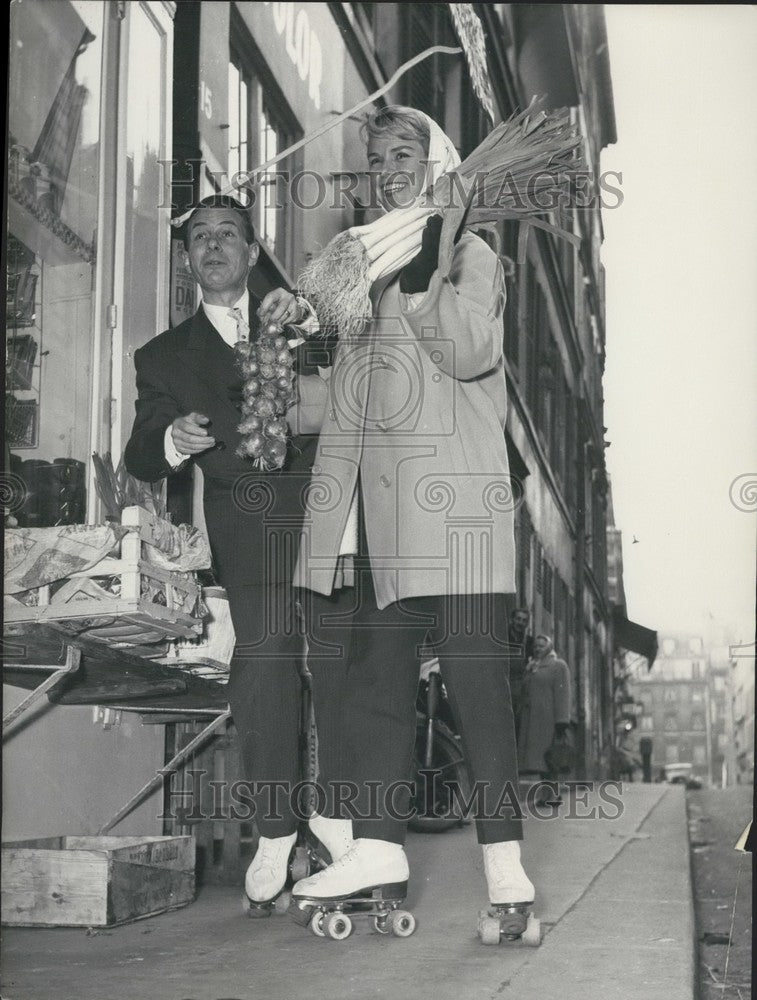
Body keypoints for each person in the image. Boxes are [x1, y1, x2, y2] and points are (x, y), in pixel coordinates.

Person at [290, 106, 535, 922]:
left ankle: (504, 869)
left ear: (435, 162)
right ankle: (379, 845)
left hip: (459, 512)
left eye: (405, 153)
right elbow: (353, 411)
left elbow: (467, 352)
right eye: (377, 160)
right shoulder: (357, 275)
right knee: (376, 687)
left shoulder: (468, 253)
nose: (388, 170)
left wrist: (428, 268)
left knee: (476, 688)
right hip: (388, 524)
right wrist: (270, 378)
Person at [123, 195, 351, 912]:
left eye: (228, 235)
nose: (213, 246)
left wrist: (310, 316)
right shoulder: (162, 357)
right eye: (199, 239)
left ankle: (346, 820)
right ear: (188, 261)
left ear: (253, 253)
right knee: (267, 659)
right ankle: (276, 828)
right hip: (245, 520)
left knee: (345, 654)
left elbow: (357, 354)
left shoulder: (295, 319)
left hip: (323, 506)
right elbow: (140, 451)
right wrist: (171, 441)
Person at [517, 635, 571, 806]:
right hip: (533, 721)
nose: (537, 648)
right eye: (536, 646)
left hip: (549, 721)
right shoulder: (533, 665)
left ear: (549, 647)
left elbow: (563, 694)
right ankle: (546, 795)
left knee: (550, 759)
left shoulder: (558, 665)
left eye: (541, 646)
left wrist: (562, 721)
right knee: (541, 762)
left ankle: (553, 795)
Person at [507, 607, 534, 737]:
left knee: (518, 726)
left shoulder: (529, 642)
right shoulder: (502, 637)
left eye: (524, 620)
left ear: (527, 624)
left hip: (520, 689)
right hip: (503, 685)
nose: (520, 623)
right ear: (512, 620)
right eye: (518, 619)